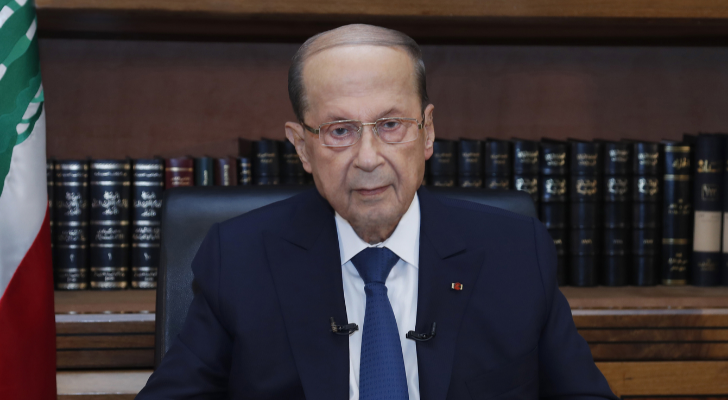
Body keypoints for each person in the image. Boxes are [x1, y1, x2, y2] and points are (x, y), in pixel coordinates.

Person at [137, 24, 617, 399]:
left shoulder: (516, 253)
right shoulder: (239, 258)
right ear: (301, 147)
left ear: (427, 132)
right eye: (340, 130)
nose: (368, 158)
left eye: (390, 125)